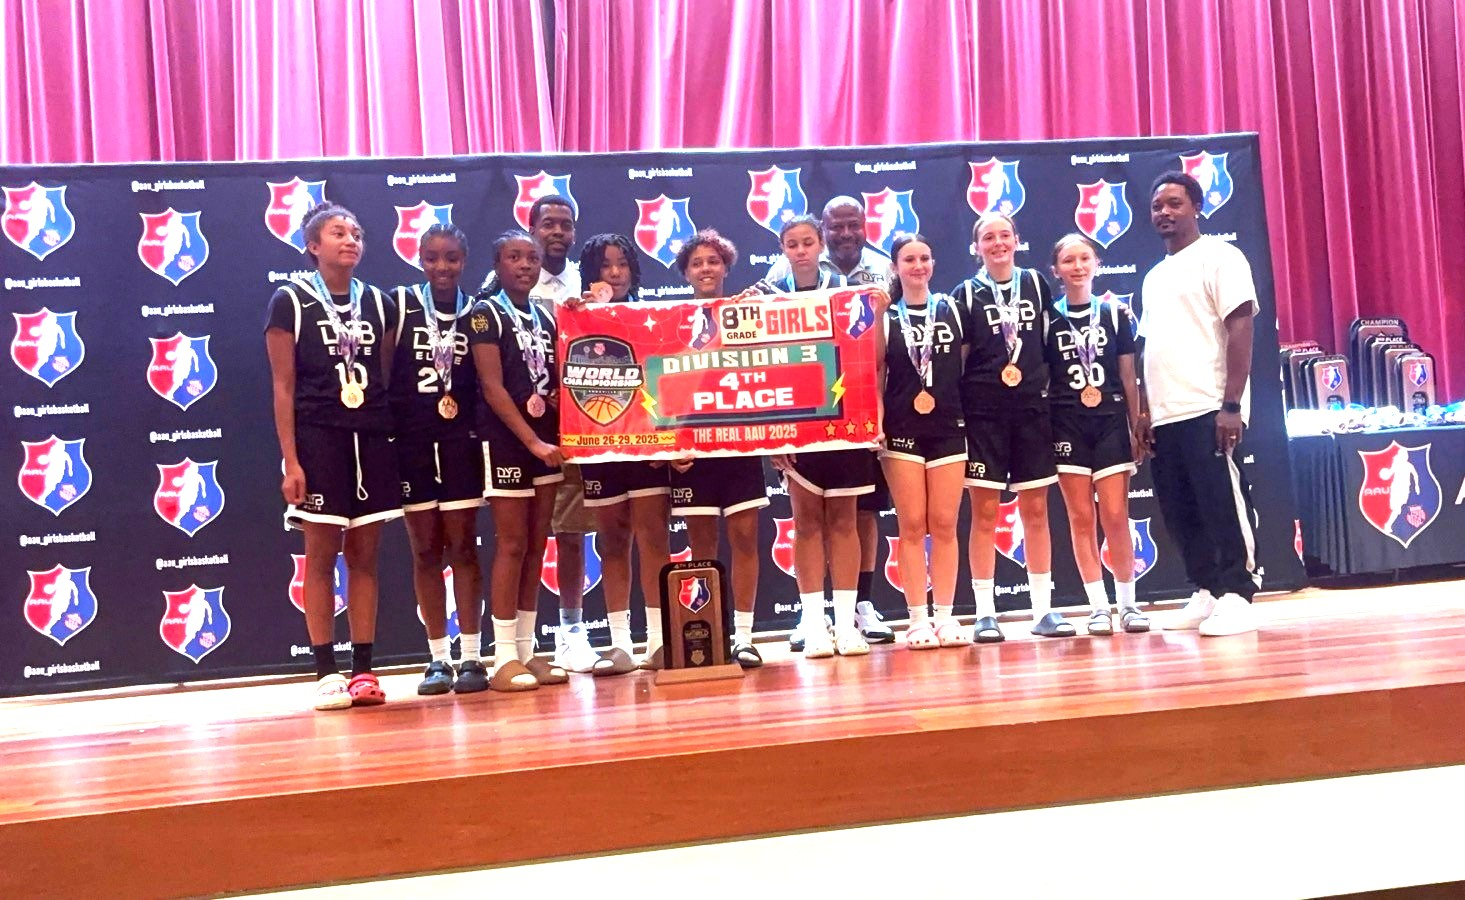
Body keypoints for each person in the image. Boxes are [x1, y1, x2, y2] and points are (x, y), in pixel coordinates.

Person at [264, 203, 400, 711]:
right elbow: (282, 387)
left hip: (369, 438)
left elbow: (382, 377)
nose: (351, 240)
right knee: (321, 558)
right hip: (318, 438)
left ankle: (364, 668)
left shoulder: (381, 303)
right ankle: (325, 670)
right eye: (338, 232)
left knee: (365, 557)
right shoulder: (290, 301)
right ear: (313, 246)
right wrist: (291, 462)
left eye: (358, 232)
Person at [766, 196, 895, 648]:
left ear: (820, 244)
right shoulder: (770, 293)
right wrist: (772, 432)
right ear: (782, 249)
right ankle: (812, 622)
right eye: (792, 244)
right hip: (795, 420)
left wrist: (876, 314)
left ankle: (846, 620)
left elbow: (872, 359)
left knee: (845, 519)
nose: (801, 251)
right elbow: (760, 366)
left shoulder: (851, 293)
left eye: (807, 243)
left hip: (845, 418)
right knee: (805, 523)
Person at [1137, 172, 1261, 637]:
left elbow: (1241, 327)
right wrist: (1146, 410)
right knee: (1181, 508)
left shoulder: (1221, 257)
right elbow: (1149, 347)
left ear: (1196, 208)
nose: (1164, 212)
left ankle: (1237, 593)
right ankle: (1207, 590)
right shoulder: (1153, 276)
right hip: (1167, 414)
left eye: (1174, 203)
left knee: (1221, 502)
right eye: (1157, 206)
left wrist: (1231, 404)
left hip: (1209, 405)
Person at [953, 212, 1069, 643]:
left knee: (1035, 511)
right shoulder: (965, 295)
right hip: (984, 416)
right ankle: (985, 612)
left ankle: (1044, 609)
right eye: (988, 237)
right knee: (984, 513)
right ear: (976, 247)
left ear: (1017, 240)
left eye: (1005, 235)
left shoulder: (1037, 283)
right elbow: (960, 362)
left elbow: (1046, 347)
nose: (998, 243)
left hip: (1031, 413)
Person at [390, 224, 488, 695]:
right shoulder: (401, 306)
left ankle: (472, 655)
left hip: (460, 445)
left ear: (464, 260)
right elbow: (385, 374)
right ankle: (436, 659)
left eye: (451, 258)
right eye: (432, 258)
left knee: (464, 549)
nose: (442, 267)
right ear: (420, 259)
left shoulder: (477, 312)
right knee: (425, 551)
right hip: (411, 444)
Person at [470, 230, 570, 691]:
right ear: (498, 263)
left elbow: (549, 382)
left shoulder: (546, 318)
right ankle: (502, 657)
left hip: (544, 440)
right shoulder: (484, 315)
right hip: (509, 442)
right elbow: (492, 388)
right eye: (515, 257)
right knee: (511, 544)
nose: (526, 265)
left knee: (536, 544)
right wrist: (531, 441)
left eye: (531, 258)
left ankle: (528, 652)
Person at [669, 229, 771, 667]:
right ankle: (709, 632)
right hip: (691, 449)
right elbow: (661, 383)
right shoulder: (670, 319)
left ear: (726, 266)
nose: (705, 269)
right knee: (701, 544)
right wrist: (668, 443)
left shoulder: (746, 313)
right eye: (697, 263)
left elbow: (772, 372)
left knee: (745, 537)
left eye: (713, 261)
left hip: (739, 444)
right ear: (686, 272)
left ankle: (744, 635)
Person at [574, 233, 671, 674]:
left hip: (647, 443)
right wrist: (576, 312)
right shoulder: (575, 317)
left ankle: (658, 639)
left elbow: (669, 379)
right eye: (605, 266)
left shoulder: (653, 314)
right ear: (591, 272)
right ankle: (618, 644)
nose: (614, 273)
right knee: (612, 542)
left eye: (622, 265)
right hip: (600, 444)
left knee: (654, 540)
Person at [1043, 233, 1148, 636]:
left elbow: (1128, 373)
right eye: (1068, 260)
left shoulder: (1115, 313)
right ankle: (1098, 606)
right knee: (1080, 516)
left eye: (1084, 258)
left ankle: (1128, 603)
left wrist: (1137, 419)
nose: (1077, 266)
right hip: (1066, 422)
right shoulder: (1049, 318)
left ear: (1097, 263)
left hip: (1108, 420)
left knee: (1117, 515)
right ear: (1056, 270)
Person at [510, 195, 599, 674]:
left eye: (565, 224)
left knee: (570, 532)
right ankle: (517, 645)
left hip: (577, 425)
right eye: (548, 224)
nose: (557, 232)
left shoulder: (590, 285)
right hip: (521, 427)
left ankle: (570, 631)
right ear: (531, 228)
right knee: (519, 539)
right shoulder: (505, 285)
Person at [877, 233, 971, 649]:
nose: (918, 266)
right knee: (912, 525)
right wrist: (876, 424)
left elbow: (965, 369)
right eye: (909, 259)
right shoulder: (886, 317)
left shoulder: (951, 309)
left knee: (945, 524)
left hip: (948, 427)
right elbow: (876, 376)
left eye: (925, 258)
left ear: (933, 264)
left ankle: (946, 617)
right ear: (896, 267)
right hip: (901, 429)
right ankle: (916, 619)